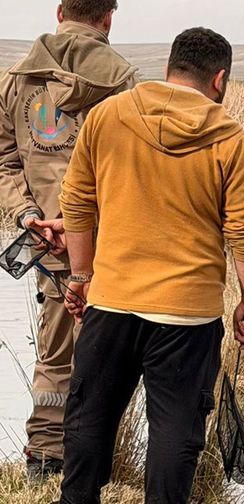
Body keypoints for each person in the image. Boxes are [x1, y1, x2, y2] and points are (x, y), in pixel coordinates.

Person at [55, 27, 244, 503]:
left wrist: (81, 274)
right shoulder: (229, 137)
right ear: (219, 79)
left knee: (88, 421)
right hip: (186, 316)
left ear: (169, 67)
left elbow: (77, 201)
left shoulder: (108, 116)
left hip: (110, 302)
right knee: (175, 436)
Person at [0, 0, 137, 479]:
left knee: (54, 354)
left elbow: (5, 161)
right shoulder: (124, 82)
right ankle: (91, 465)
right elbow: (132, 173)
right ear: (109, 18)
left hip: (46, 244)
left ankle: (43, 458)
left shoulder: (16, 78)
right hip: (109, 248)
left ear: (60, 12)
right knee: (105, 359)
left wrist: (31, 216)